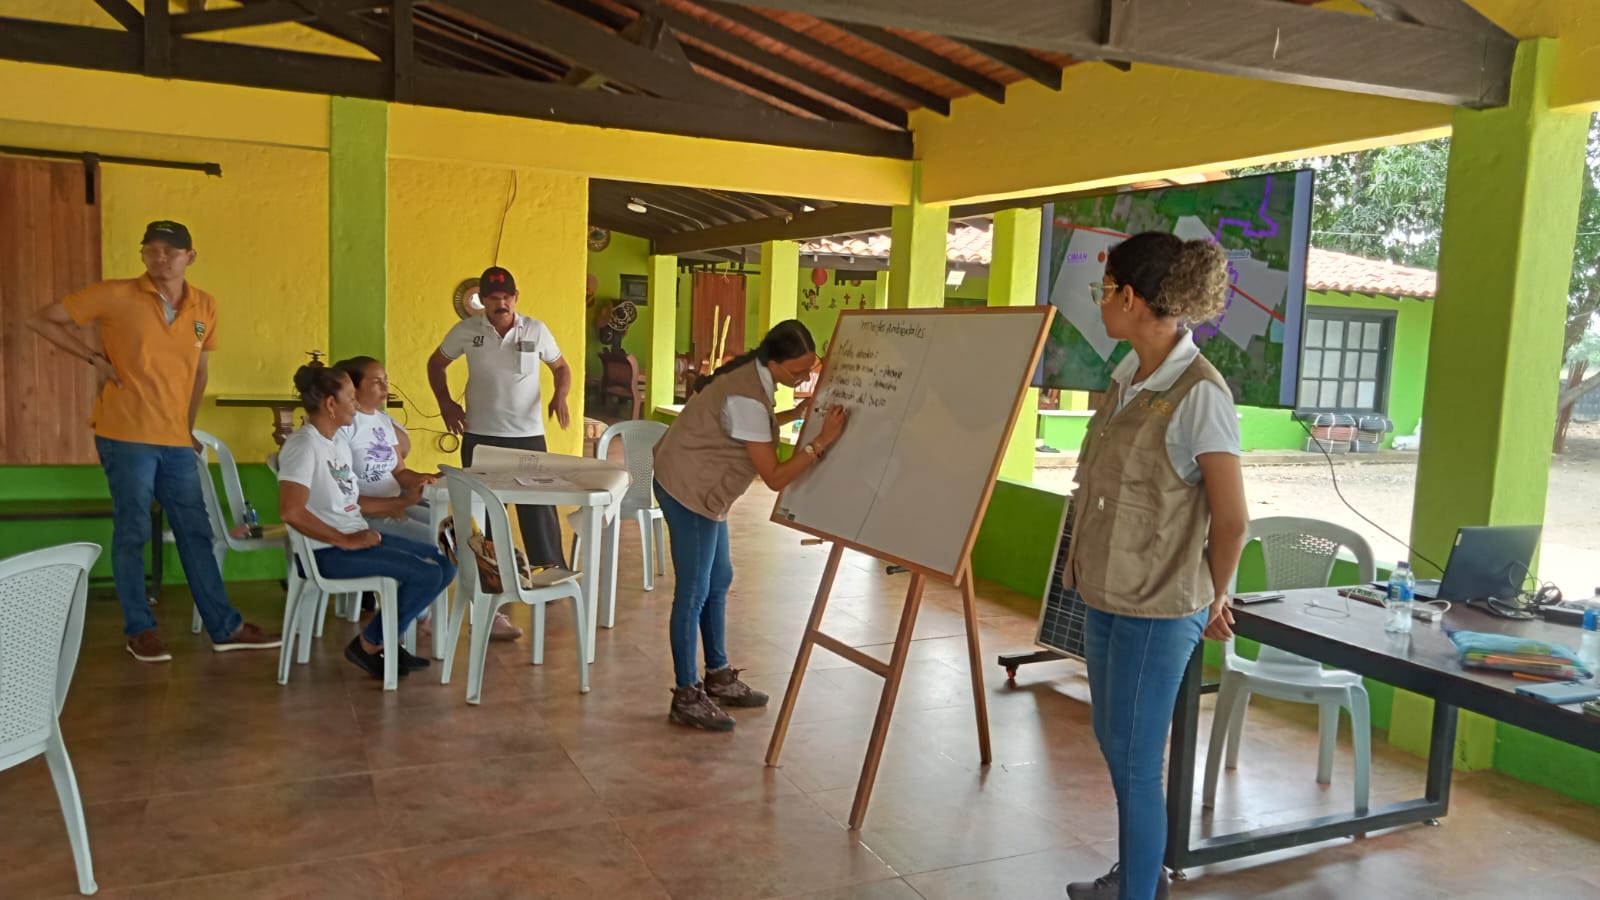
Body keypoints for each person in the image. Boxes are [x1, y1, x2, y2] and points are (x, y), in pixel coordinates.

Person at [1062, 232, 1250, 900]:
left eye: (1104, 291)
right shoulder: (1127, 376)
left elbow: (1231, 519)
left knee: (1138, 763)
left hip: (1159, 607)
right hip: (1109, 594)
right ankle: (1137, 873)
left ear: (1131, 299)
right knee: (1115, 743)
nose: (1101, 303)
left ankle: (1140, 889)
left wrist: (1215, 593)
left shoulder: (1200, 394)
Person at [27, 220, 280, 662]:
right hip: (125, 435)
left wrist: (186, 426)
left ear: (190, 257)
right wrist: (93, 359)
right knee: (133, 531)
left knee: (196, 532)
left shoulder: (204, 306)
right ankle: (140, 629)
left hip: (174, 440)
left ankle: (225, 626)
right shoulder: (116, 294)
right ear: (143, 254)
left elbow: (199, 371)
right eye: (152, 250)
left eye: (171, 251)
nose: (160, 258)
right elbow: (42, 318)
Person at [651, 320, 848, 731]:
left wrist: (796, 412)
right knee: (694, 590)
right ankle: (686, 695)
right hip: (689, 488)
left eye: (809, 369)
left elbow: (751, 427)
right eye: (798, 371)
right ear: (773, 363)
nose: (805, 377)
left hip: (700, 485)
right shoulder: (747, 397)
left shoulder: (753, 383)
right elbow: (774, 476)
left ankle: (718, 675)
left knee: (719, 578)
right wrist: (820, 442)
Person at [276, 364, 456, 680]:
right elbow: (291, 511)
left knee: (446, 561)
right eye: (350, 398)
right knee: (426, 574)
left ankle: (376, 641)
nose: (356, 404)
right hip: (327, 553)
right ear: (331, 404)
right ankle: (371, 643)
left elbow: (352, 501)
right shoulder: (303, 446)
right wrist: (344, 540)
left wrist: (400, 503)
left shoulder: (336, 443)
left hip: (355, 536)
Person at [333, 355, 521, 640]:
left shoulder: (382, 421)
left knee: (467, 532)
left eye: (386, 380)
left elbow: (399, 471)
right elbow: (346, 496)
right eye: (376, 381)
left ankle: (485, 611)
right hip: (369, 514)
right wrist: (397, 505)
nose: (385, 386)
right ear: (353, 388)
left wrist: (422, 479)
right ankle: (430, 612)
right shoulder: (346, 427)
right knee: (450, 541)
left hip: (398, 504)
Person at [427, 266, 571, 571]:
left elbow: (561, 367)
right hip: (481, 436)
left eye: (507, 297)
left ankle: (550, 571)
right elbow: (436, 363)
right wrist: (446, 404)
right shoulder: (466, 331)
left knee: (538, 508)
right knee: (486, 509)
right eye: (494, 298)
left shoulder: (536, 329)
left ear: (516, 297)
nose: (501, 303)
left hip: (528, 436)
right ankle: (492, 573)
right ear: (482, 299)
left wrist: (560, 396)